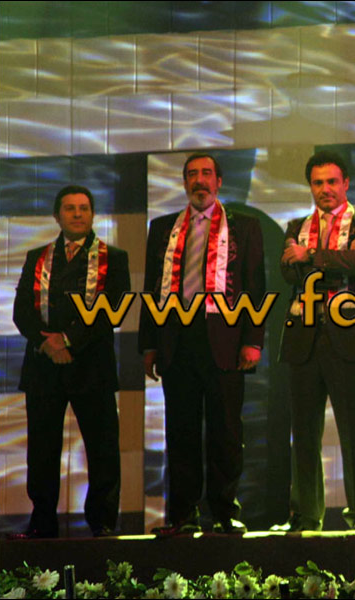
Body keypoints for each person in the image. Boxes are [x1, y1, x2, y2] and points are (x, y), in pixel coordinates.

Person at [139, 153, 265, 535]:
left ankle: (225, 512)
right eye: (192, 174)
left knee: (226, 431)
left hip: (225, 340)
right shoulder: (163, 228)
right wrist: (149, 344)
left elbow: (255, 287)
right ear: (184, 183)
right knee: (181, 431)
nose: (199, 180)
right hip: (177, 340)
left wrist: (253, 341)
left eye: (206, 173)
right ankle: (183, 514)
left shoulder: (244, 227)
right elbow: (150, 289)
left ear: (219, 181)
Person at [275, 151, 355, 532]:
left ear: (346, 184)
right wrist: (339, 259)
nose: (325, 189)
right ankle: (306, 515)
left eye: (331, 181)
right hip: (304, 337)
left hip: (349, 337)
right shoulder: (296, 225)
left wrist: (310, 255)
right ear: (310, 186)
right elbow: (289, 273)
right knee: (304, 433)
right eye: (318, 182)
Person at [11, 185, 130, 538]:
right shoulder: (37, 257)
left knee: (102, 450)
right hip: (44, 366)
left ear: (92, 215)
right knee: (42, 450)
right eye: (69, 208)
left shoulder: (114, 258)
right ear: (57, 216)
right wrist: (47, 343)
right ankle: (42, 523)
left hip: (92, 366)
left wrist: (67, 340)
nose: (77, 214)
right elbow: (22, 311)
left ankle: (102, 523)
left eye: (83, 208)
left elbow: (112, 312)